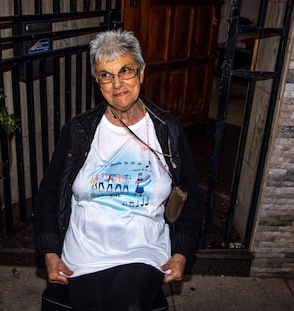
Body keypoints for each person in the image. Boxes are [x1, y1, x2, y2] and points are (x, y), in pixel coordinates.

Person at [34, 29, 201, 310]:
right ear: (97, 81)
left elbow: (191, 196)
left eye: (126, 71)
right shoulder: (79, 131)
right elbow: (49, 193)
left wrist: (182, 252)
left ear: (142, 73)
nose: (117, 83)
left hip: (143, 248)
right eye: (106, 75)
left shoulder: (166, 129)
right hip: (85, 250)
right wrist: (50, 251)